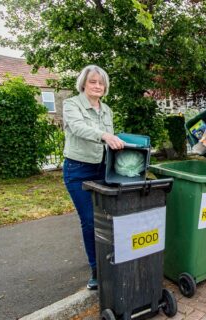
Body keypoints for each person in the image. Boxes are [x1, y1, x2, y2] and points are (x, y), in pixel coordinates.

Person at [62, 65, 125, 290]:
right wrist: (106, 135)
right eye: (93, 82)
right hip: (78, 170)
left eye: (101, 83)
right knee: (90, 220)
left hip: (102, 169)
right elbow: (78, 128)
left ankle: (110, 259)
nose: (97, 86)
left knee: (108, 217)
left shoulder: (106, 109)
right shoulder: (71, 104)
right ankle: (96, 269)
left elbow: (111, 142)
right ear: (83, 84)